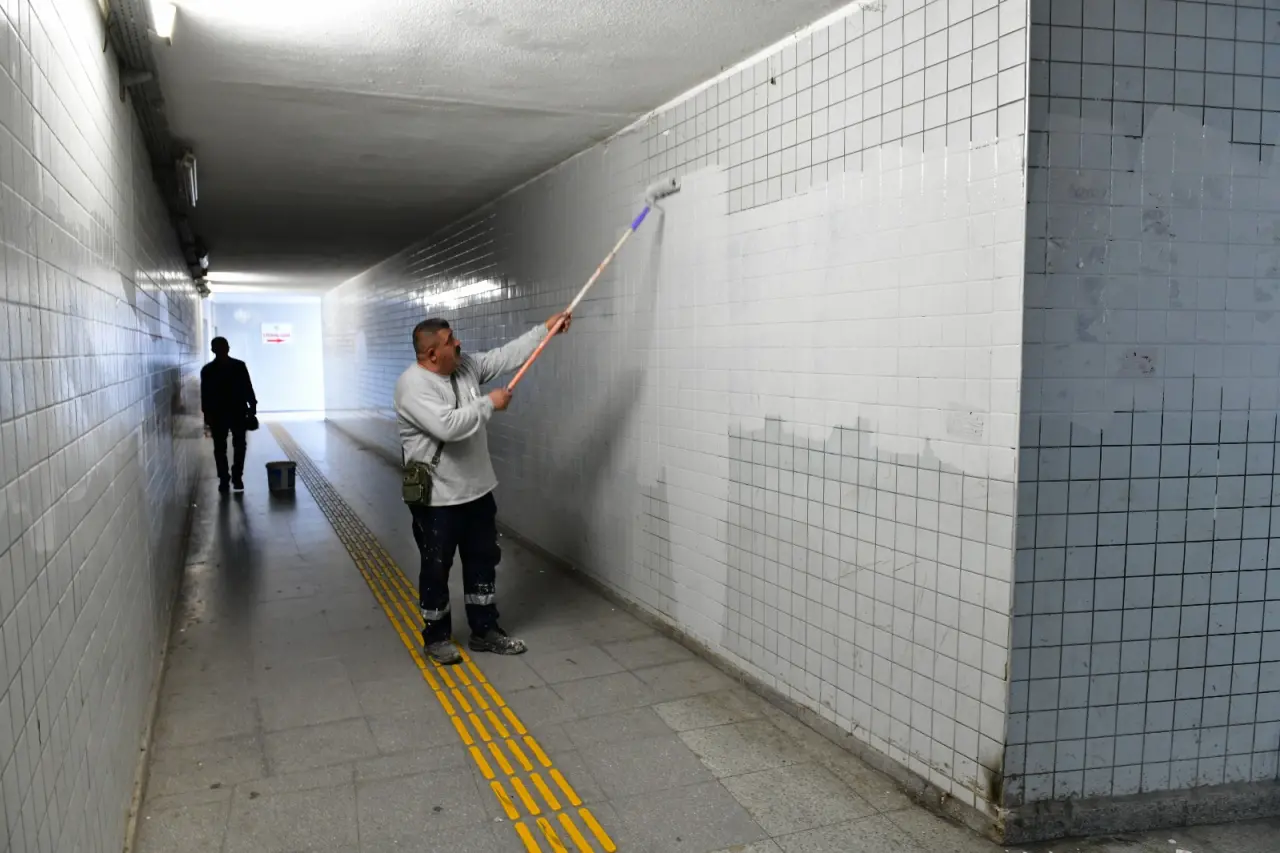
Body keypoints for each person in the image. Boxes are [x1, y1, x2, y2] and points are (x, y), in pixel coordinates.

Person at [395, 312, 570, 664]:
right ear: (431, 354)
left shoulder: (465, 368)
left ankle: (485, 630)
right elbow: (448, 426)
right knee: (436, 567)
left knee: (482, 562)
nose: (457, 343)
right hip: (437, 501)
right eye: (449, 341)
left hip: (477, 493)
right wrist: (489, 403)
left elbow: (504, 356)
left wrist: (544, 329)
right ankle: (437, 637)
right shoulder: (413, 387)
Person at [200, 337, 257, 493]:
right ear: (228, 348)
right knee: (239, 446)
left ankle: (224, 479)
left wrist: (207, 416)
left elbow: (205, 396)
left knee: (220, 448)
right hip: (237, 412)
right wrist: (252, 408)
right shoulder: (239, 366)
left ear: (213, 350)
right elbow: (248, 388)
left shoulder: (207, 370)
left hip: (218, 414)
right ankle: (237, 477)